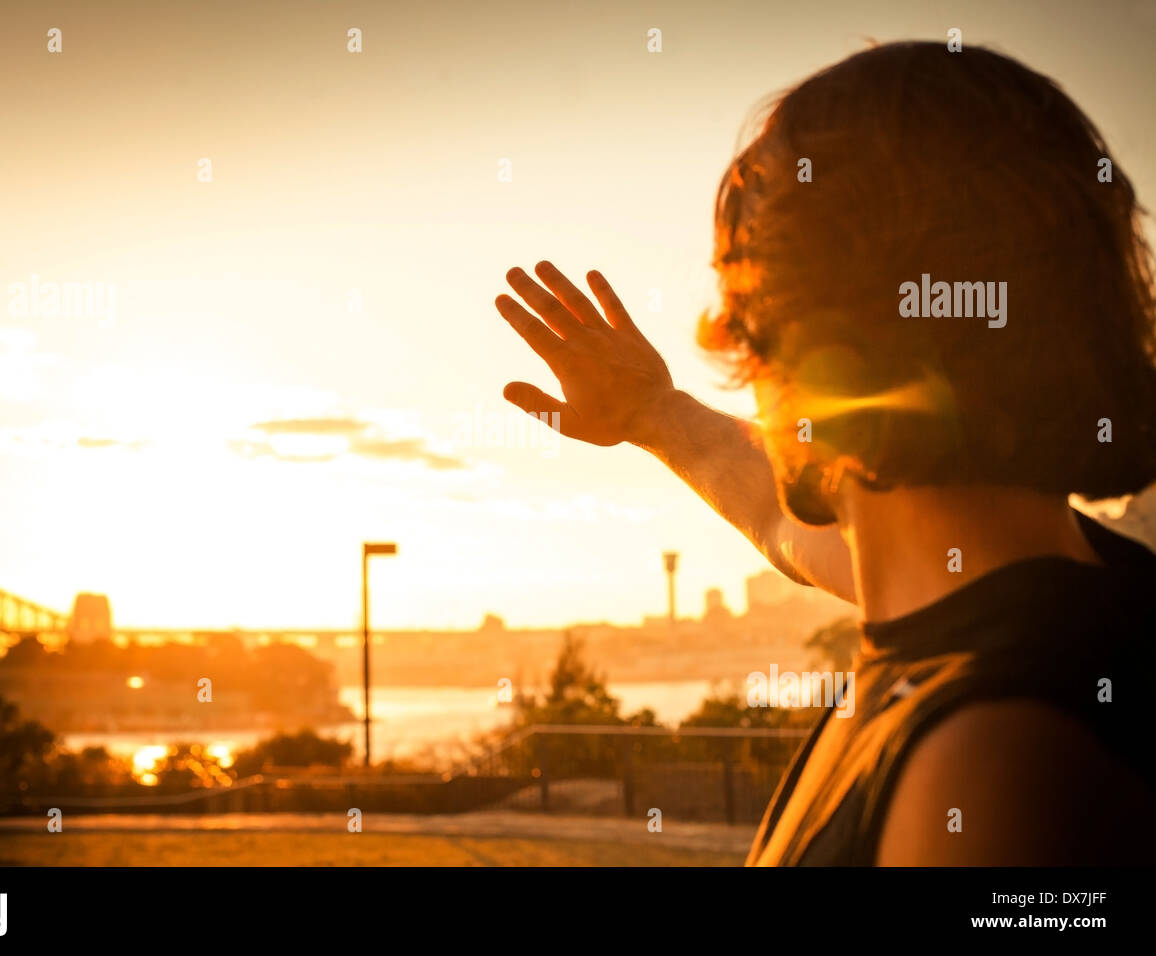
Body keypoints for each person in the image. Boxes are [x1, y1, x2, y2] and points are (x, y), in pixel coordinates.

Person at [493, 41, 1156, 865]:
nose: (733, 335)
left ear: (820, 342)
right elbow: (775, 511)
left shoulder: (986, 765)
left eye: (748, 302)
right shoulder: (1045, 595)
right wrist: (654, 413)